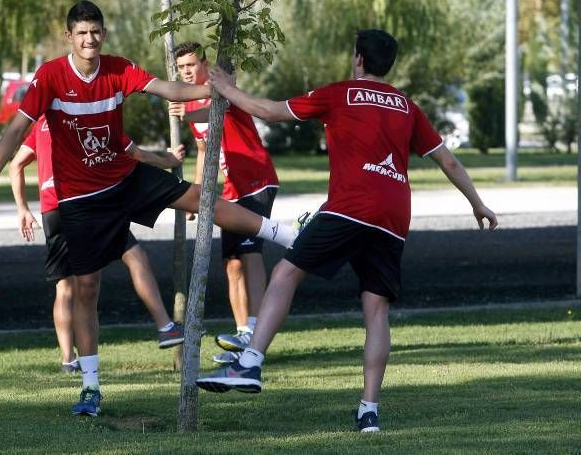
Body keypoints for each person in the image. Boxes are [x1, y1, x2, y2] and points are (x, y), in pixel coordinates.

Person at [0, 0, 298, 418]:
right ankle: (90, 388)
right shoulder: (49, 77)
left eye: (96, 32)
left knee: (199, 196)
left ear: (103, 35)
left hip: (125, 178)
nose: (89, 40)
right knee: (86, 288)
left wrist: (209, 89)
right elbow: (16, 130)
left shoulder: (119, 68)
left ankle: (287, 234)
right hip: (80, 201)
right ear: (69, 36)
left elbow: (165, 87)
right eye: (82, 33)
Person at [196, 29, 498, 433]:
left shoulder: (340, 93)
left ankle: (249, 364)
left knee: (286, 272)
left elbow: (267, 111)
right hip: (393, 217)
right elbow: (449, 162)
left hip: (350, 208)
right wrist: (477, 203)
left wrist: (225, 88)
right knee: (376, 310)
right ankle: (369, 411)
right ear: (387, 63)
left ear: (358, 59)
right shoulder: (407, 106)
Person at [9, 115, 188, 373]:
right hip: (83, 204)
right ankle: (165, 326)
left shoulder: (41, 124)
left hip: (51, 211)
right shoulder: (82, 113)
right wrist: (169, 160)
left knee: (65, 289)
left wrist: (22, 208)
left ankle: (68, 360)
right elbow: (134, 153)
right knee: (134, 256)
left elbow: (16, 164)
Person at [170, 41, 279, 365]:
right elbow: (204, 152)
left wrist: (187, 109)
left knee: (250, 253)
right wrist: (197, 195)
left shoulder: (223, 87)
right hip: (230, 189)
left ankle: (256, 333)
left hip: (257, 180)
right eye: (182, 67)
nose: (187, 71)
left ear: (204, 63)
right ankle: (242, 335)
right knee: (231, 263)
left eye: (192, 65)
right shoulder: (190, 107)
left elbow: (219, 109)